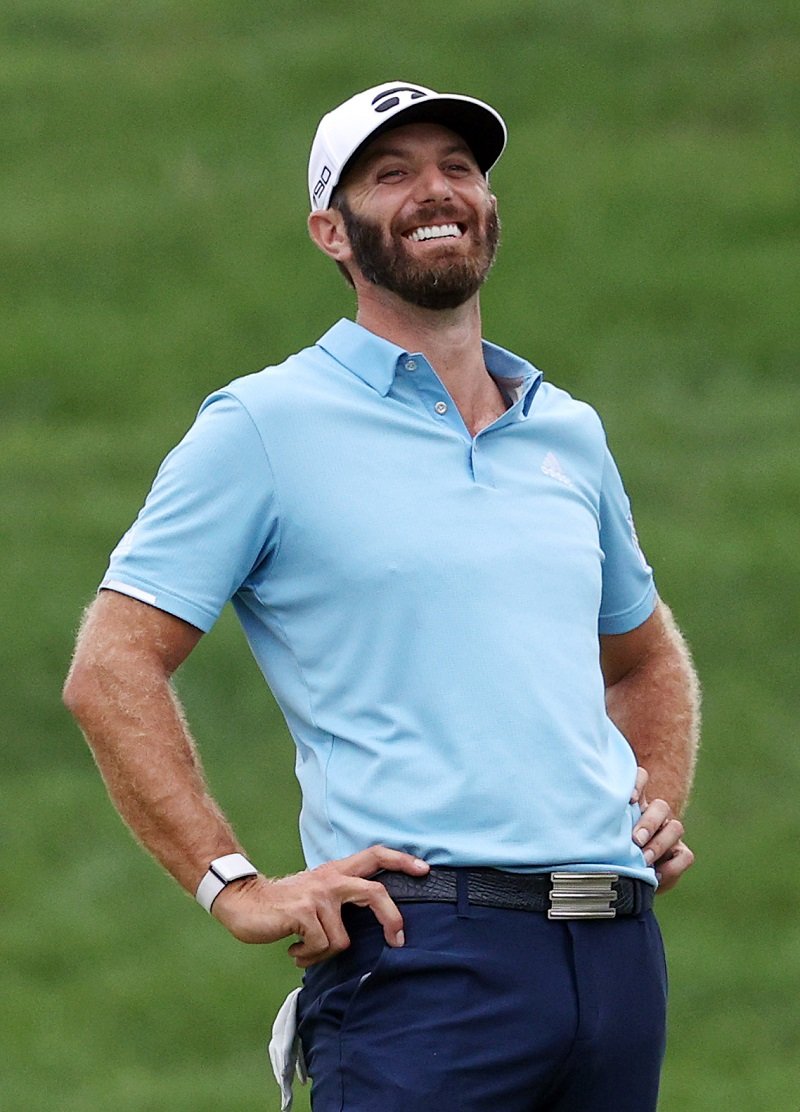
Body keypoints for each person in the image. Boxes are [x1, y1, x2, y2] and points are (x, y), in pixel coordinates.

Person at [64, 80, 700, 1112]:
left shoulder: (563, 432)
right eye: (389, 173)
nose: (434, 189)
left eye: (457, 166)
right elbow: (110, 666)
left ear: (487, 206)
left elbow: (641, 655)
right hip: (425, 954)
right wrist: (234, 882)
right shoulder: (264, 426)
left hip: (617, 955)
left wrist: (654, 791)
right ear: (331, 229)